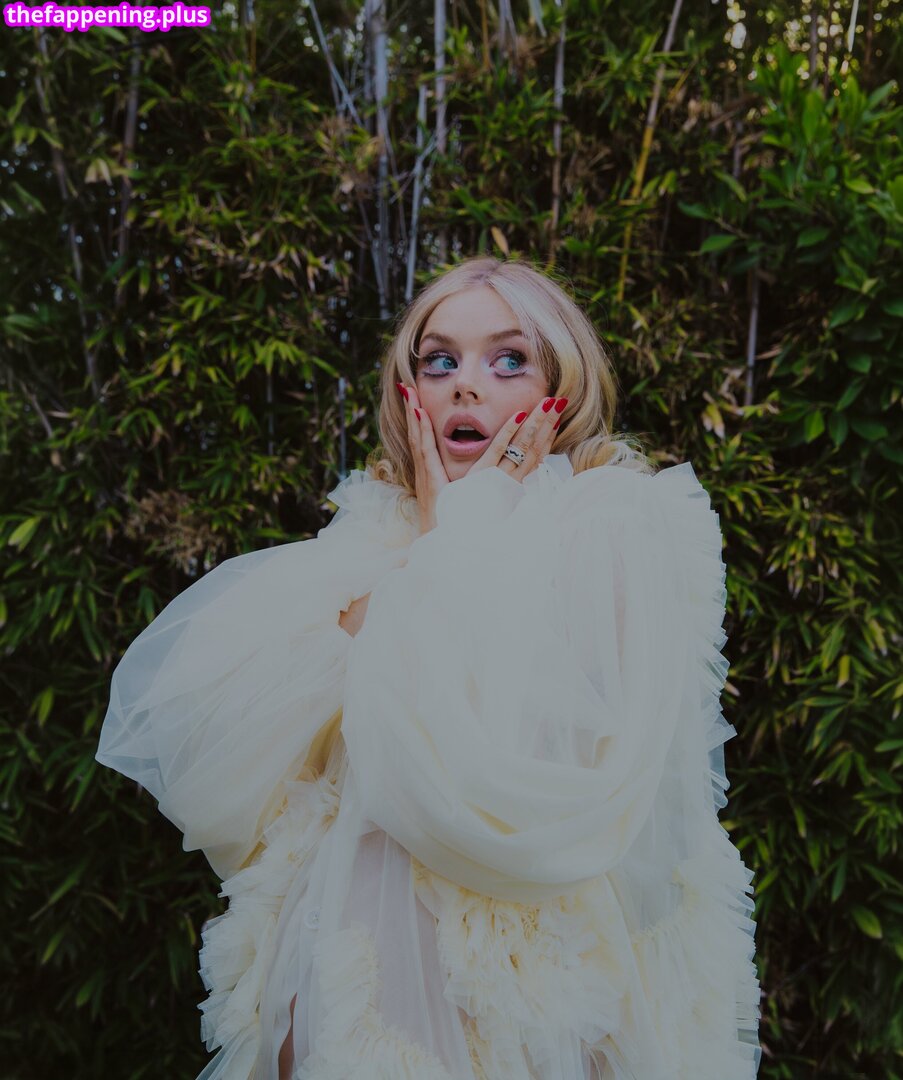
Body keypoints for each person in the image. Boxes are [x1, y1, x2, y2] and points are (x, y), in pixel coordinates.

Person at [95, 255, 762, 1080]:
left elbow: (530, 750)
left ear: (562, 383)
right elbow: (247, 732)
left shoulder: (612, 519)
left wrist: (461, 534)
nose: (464, 385)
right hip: (356, 922)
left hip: (530, 952)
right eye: (439, 360)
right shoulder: (376, 527)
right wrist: (443, 533)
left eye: (508, 359)